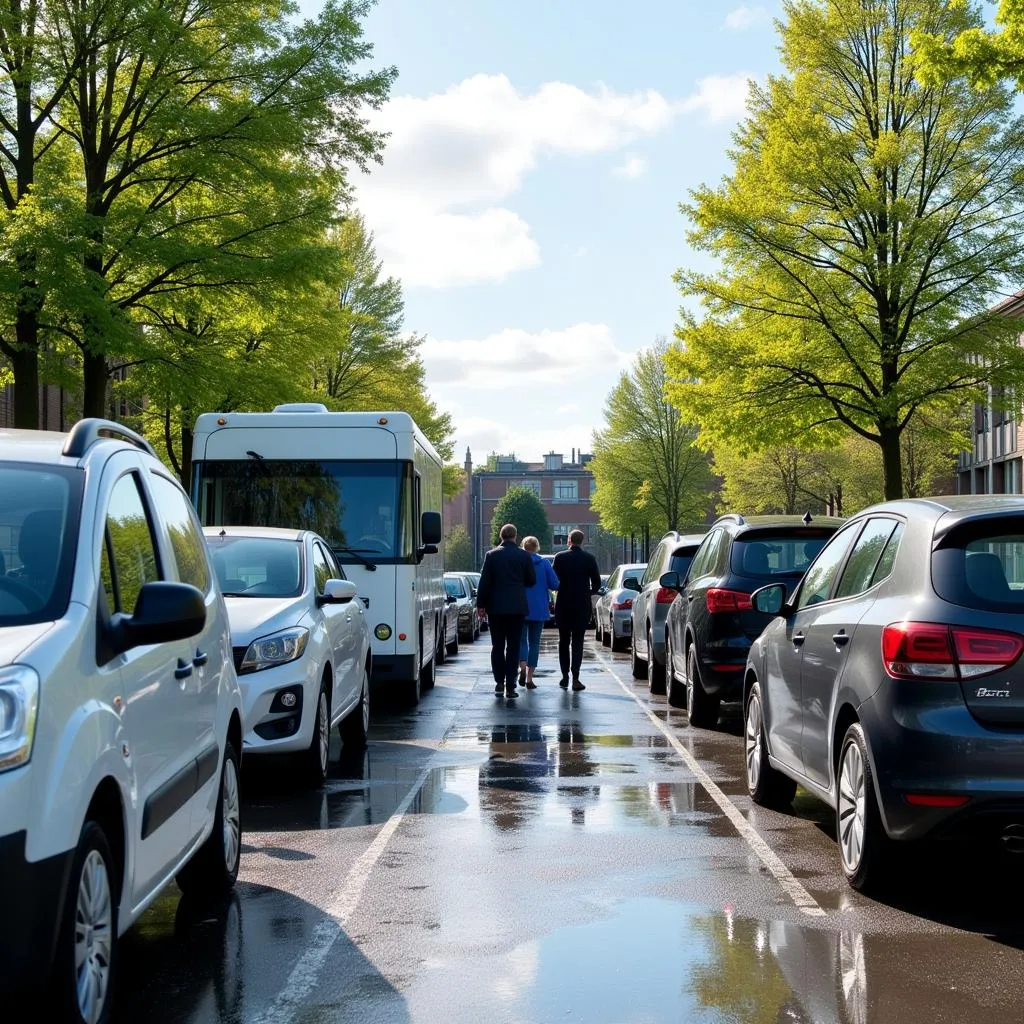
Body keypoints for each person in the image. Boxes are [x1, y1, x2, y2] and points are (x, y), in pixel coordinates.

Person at [476, 523, 536, 698]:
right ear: (515, 537)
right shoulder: (524, 556)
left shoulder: (491, 555)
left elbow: (484, 583)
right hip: (517, 607)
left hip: (496, 608)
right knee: (513, 646)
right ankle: (511, 685)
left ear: (501, 537)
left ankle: (499, 682)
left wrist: (481, 605)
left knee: (497, 646)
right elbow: (531, 580)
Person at [552, 529, 601, 691]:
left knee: (563, 641)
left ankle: (564, 676)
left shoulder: (560, 557)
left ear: (569, 540)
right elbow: (597, 584)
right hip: (581, 604)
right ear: (583, 541)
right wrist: (587, 593)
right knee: (578, 642)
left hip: (564, 603)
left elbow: (553, 580)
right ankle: (576, 678)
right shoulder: (589, 558)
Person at [517, 536, 559, 689]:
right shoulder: (544, 563)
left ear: (523, 547)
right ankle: (529, 678)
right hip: (540, 607)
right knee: (534, 643)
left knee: (521, 641)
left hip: (520, 606)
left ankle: (521, 667)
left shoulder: (519, 562)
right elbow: (555, 584)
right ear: (537, 547)